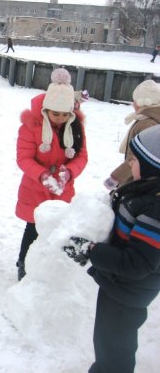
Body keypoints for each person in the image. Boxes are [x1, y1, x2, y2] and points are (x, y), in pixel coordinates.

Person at [62, 125, 160, 373]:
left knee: (114, 346)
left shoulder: (155, 209)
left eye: (134, 160)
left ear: (152, 166)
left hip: (128, 291)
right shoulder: (142, 189)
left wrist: (92, 251)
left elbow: (136, 264)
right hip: (119, 285)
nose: (129, 164)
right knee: (108, 340)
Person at [15, 68, 88, 280]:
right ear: (46, 109)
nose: (60, 118)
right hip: (36, 187)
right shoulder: (31, 126)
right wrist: (43, 175)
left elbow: (81, 156)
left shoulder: (75, 127)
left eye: (65, 114)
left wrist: (70, 172)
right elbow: (24, 158)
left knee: (59, 228)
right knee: (33, 228)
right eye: (55, 114)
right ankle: (24, 265)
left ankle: (51, 267)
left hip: (63, 187)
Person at [104, 79, 160, 191]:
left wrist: (116, 177)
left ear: (143, 103)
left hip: (137, 178)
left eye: (134, 101)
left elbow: (139, 157)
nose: (133, 104)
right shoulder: (147, 119)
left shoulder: (147, 123)